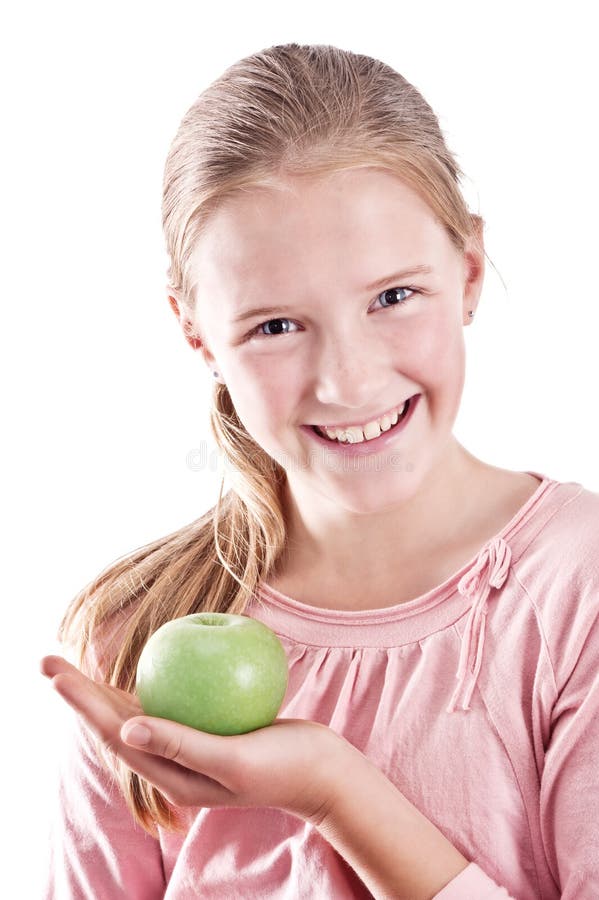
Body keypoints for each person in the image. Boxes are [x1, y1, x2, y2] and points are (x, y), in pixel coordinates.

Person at [40, 42, 599, 899]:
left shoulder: (577, 592)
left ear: (469, 273)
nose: (348, 381)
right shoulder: (141, 634)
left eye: (391, 298)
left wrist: (337, 793)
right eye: (273, 326)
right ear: (197, 336)